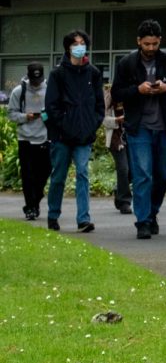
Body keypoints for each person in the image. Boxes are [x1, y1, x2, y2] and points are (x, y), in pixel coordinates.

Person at [111, 19, 166, 240]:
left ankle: (153, 213)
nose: (151, 48)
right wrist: (138, 90)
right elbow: (116, 93)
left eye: (154, 44)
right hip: (139, 127)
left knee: (162, 175)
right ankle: (142, 221)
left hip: (164, 126)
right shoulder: (127, 63)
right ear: (138, 42)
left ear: (160, 41)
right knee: (143, 174)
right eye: (146, 44)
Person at [44, 31, 105, 233]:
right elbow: (51, 106)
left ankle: (83, 219)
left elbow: (99, 106)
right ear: (68, 47)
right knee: (59, 176)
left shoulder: (93, 73)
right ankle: (53, 215)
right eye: (75, 43)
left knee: (83, 173)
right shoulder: (58, 74)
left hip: (84, 135)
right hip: (61, 136)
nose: (79, 47)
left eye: (82, 43)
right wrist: (65, 125)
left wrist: (92, 125)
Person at [8, 61, 51, 221]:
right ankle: (31, 207)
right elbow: (11, 114)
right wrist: (26, 117)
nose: (36, 84)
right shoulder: (19, 91)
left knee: (44, 172)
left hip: (45, 137)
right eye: (33, 81)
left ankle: (36, 199)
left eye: (38, 81)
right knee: (28, 175)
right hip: (25, 138)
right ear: (28, 77)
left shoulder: (49, 90)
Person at [102, 85, 133, 215]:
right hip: (116, 139)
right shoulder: (110, 96)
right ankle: (124, 202)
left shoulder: (133, 93)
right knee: (123, 168)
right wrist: (117, 120)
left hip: (133, 137)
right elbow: (103, 119)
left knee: (133, 171)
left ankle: (119, 188)